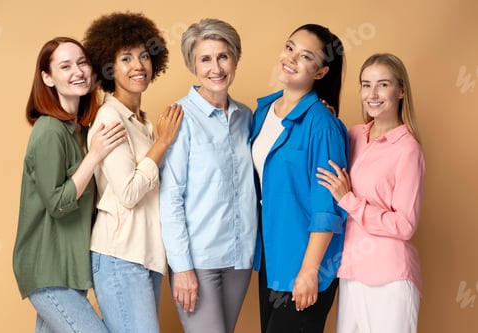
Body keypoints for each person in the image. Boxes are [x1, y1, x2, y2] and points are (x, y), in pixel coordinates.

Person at [12, 37, 127, 333]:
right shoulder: (49, 130)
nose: (78, 72)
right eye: (65, 66)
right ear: (47, 78)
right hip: (48, 272)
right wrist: (96, 156)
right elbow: (59, 204)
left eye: (82, 63)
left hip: (70, 269)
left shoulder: (80, 129)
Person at [82, 12, 183, 333]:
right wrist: (164, 143)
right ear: (108, 67)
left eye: (143, 55)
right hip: (120, 255)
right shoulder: (110, 118)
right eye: (126, 57)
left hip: (146, 256)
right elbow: (127, 193)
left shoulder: (143, 122)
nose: (138, 64)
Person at [159, 18, 257, 333]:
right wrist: (182, 268)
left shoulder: (246, 117)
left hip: (240, 259)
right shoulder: (180, 117)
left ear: (236, 59)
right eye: (205, 59)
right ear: (193, 65)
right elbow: (170, 197)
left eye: (223, 56)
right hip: (198, 262)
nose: (216, 67)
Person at [250, 24, 349, 333]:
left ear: (320, 72)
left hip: (305, 262)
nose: (290, 58)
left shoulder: (322, 125)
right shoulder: (263, 111)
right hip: (272, 256)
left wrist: (309, 271)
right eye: (290, 47)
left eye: (306, 56)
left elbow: (326, 206)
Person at [316, 53, 424, 333]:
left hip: (389, 277)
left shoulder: (407, 149)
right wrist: (324, 119)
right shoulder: (352, 135)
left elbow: (404, 225)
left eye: (383, 85)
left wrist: (349, 200)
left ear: (401, 91)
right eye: (366, 85)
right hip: (351, 272)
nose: (372, 94)